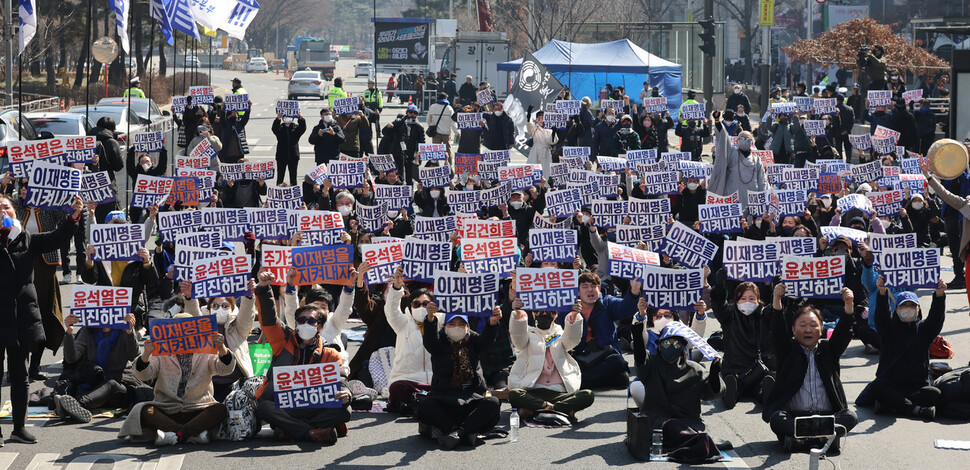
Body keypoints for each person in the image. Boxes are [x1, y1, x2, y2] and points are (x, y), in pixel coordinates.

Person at [0, 194, 83, 443]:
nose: (3, 211)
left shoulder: (25, 238)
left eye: (6, 207)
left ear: (14, 211)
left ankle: (19, 428)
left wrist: (73, 218)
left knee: (20, 375)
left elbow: (56, 238)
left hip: (22, 316)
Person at [253, 271, 353, 443]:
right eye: (301, 320)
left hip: (314, 407)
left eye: (311, 321)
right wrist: (263, 289)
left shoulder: (331, 354)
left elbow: (341, 382)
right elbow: (269, 319)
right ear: (296, 323)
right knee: (265, 407)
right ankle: (312, 432)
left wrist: (347, 394)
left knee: (345, 410)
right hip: (286, 406)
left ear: (320, 327)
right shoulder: (282, 342)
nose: (305, 323)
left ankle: (291, 429)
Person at [763, 285, 858, 453]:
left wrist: (849, 304)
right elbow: (777, 331)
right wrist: (777, 299)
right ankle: (824, 439)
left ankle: (802, 441)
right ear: (793, 329)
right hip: (795, 419)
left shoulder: (829, 350)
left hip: (827, 417)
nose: (808, 329)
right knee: (777, 418)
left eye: (813, 325)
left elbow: (844, 332)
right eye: (802, 325)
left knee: (850, 416)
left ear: (821, 329)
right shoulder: (787, 350)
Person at [118, 315, 235, 445]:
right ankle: (189, 433)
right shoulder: (162, 352)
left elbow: (225, 369)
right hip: (167, 409)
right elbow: (144, 375)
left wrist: (222, 349)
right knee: (144, 409)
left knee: (220, 409)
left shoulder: (206, 352)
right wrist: (146, 354)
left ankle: (176, 434)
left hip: (198, 408)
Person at [858, 279, 946, 421]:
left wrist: (939, 295)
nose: (908, 308)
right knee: (877, 387)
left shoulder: (924, 330)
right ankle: (914, 410)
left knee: (934, 393)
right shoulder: (888, 328)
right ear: (896, 309)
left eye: (912, 305)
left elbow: (937, 318)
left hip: (916, 387)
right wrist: (882, 292)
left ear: (918, 309)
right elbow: (881, 316)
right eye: (904, 305)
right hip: (890, 384)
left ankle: (894, 405)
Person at [416, 308, 503, 449]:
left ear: (468, 327)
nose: (457, 327)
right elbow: (429, 340)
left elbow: (486, 339)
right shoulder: (439, 342)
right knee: (426, 405)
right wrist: (431, 318)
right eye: (452, 324)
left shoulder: (474, 340)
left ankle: (458, 433)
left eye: (461, 324)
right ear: (444, 327)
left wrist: (492, 322)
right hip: (444, 399)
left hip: (471, 399)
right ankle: (461, 430)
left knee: (493, 402)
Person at [633, 322, 723, 433]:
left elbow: (711, 393)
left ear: (682, 347)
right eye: (666, 343)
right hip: (658, 422)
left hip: (689, 423)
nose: (671, 347)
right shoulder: (652, 365)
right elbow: (641, 359)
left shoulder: (695, 370)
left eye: (676, 344)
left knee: (698, 439)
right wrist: (637, 335)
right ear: (659, 346)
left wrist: (714, 375)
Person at [507, 307, 594, 424]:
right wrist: (518, 314)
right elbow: (518, 338)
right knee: (514, 394)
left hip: (559, 393)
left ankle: (544, 409)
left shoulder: (561, 334)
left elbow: (572, 341)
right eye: (540, 312)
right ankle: (560, 410)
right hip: (532, 391)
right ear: (533, 314)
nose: (544, 314)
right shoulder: (528, 334)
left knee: (588, 395)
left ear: (556, 315)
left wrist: (574, 316)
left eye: (549, 313)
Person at [57, 310, 140, 423]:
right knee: (79, 386)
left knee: (111, 384)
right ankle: (71, 407)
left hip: (119, 385)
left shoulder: (123, 329)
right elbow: (71, 358)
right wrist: (69, 333)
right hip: (94, 382)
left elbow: (134, 356)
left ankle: (76, 406)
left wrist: (129, 332)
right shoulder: (88, 330)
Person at [81, 211, 159, 329]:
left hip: (132, 311)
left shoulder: (137, 255)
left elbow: (152, 282)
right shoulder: (100, 255)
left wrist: (147, 263)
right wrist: (89, 261)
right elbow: (89, 280)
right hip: (107, 310)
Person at [384, 266, 443, 412]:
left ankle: (419, 404)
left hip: (436, 380)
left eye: (426, 304)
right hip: (409, 380)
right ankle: (417, 403)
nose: (421, 307)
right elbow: (391, 309)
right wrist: (397, 287)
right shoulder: (402, 323)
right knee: (398, 388)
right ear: (410, 307)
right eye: (416, 304)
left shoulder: (443, 322)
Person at [571, 272, 640, 389]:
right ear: (577, 292)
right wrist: (572, 316)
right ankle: (597, 379)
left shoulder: (607, 303)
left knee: (617, 361)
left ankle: (580, 382)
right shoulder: (569, 308)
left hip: (604, 355)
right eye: (585, 287)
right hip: (578, 357)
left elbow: (625, 308)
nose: (590, 290)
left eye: (593, 286)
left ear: (599, 290)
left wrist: (634, 292)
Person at [708, 112, 768, 210]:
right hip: (732, 195)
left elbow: (762, 180)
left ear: (752, 142)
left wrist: (765, 196)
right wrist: (718, 121)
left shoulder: (757, 159)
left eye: (748, 139)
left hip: (751, 198)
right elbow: (724, 140)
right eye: (742, 138)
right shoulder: (731, 153)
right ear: (737, 140)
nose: (745, 140)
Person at [271, 113, 307, 186]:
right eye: (285, 117)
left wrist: (300, 118)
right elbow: (274, 128)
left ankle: (294, 191)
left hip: (293, 155)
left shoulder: (296, 128)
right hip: (281, 155)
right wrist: (278, 119)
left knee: (293, 176)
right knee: (280, 175)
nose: (287, 118)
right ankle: (278, 189)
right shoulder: (280, 128)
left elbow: (303, 128)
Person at [426, 93, 457, 162]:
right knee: (448, 150)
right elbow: (453, 122)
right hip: (446, 133)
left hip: (436, 133)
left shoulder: (432, 107)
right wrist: (457, 132)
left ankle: (435, 164)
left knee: (436, 151)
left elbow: (428, 119)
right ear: (446, 98)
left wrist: (431, 126)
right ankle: (449, 165)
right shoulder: (449, 108)